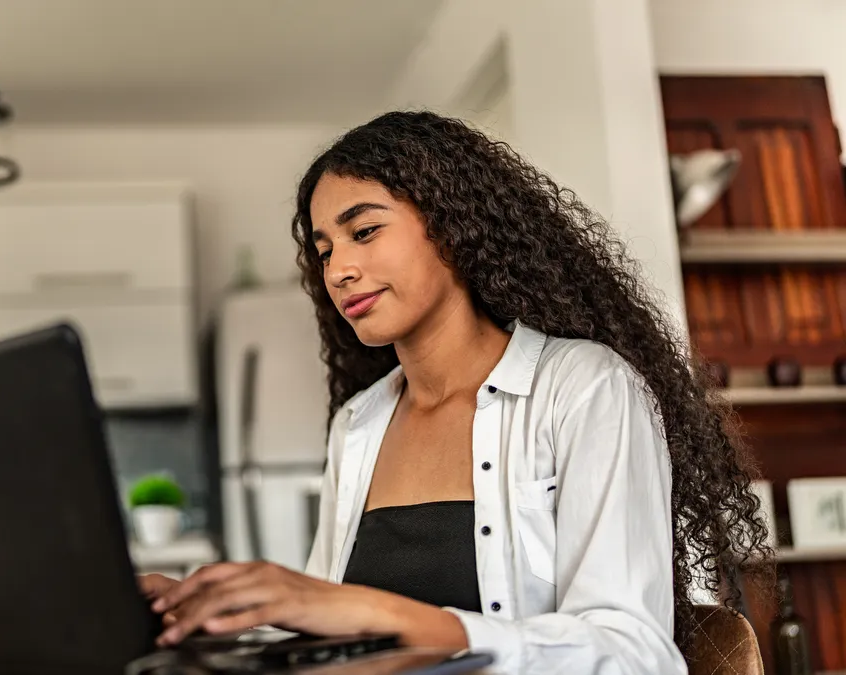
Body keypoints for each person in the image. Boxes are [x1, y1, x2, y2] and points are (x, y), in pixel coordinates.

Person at [139, 111, 772, 674]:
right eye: (324, 249)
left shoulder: (583, 387)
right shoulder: (359, 425)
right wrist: (220, 611)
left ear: (452, 226)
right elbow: (343, 631)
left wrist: (396, 620)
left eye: (363, 233)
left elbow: (633, 653)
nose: (337, 270)